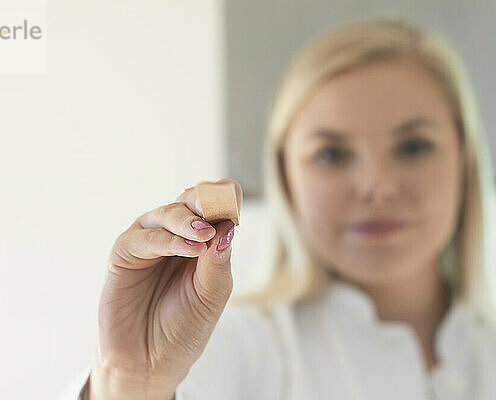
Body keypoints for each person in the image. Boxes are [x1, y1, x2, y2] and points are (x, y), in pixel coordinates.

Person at [58, 16, 496, 400]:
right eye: (331, 155)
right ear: (286, 178)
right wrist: (130, 380)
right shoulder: (237, 348)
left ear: (466, 161)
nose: (377, 187)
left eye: (415, 146)